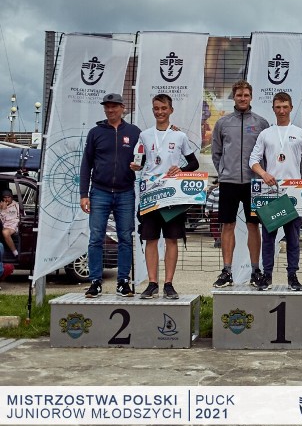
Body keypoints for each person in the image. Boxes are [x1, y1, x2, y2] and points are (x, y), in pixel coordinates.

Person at [249, 92, 302, 291]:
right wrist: (263, 173)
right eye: (278, 107)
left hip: (293, 194)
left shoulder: (300, 133)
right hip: (270, 191)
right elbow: (253, 160)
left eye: (285, 107)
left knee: (293, 238)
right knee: (268, 237)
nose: (281, 110)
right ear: (273, 109)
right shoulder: (266, 134)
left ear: (290, 108)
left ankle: (292, 276)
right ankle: (267, 275)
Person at [130, 94, 200, 300]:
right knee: (150, 239)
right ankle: (152, 283)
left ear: (171, 110)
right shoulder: (144, 135)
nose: (159, 112)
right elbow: (140, 162)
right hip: (151, 194)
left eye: (163, 108)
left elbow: (194, 163)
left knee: (171, 239)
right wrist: (136, 166)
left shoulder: (180, 136)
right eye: (156, 108)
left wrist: (181, 169)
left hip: (172, 196)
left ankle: (169, 284)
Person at [79, 93, 141, 298]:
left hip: (125, 192)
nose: (110, 110)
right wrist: (83, 194)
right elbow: (86, 163)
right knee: (96, 238)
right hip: (99, 192)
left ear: (123, 108)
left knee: (125, 237)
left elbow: (147, 156)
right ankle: (95, 281)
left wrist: (138, 166)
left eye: (114, 107)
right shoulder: (95, 132)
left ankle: (123, 281)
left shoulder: (134, 132)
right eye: (107, 107)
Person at [211, 80, 270, 288]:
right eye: (239, 95)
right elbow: (216, 153)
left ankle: (255, 271)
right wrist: (224, 172)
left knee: (253, 226)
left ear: (251, 97)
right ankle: (227, 271)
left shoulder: (262, 123)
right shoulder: (223, 123)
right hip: (229, 182)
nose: (242, 98)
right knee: (228, 225)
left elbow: (266, 154)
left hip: (253, 184)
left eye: (246, 95)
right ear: (233, 97)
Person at [0, 189, 20, 261]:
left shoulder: (16, 205)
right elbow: (2, 220)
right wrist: (3, 209)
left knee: (5, 232)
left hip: (14, 225)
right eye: (5, 197)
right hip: (4, 225)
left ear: (11, 197)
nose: (6, 199)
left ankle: (15, 252)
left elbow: (20, 216)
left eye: (8, 197)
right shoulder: (1, 205)